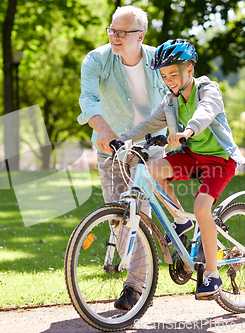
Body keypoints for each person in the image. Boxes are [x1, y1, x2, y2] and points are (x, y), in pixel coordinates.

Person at [120, 39, 245, 298]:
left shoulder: (208, 89)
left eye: (174, 74)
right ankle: (179, 220)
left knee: (201, 207)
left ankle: (212, 276)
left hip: (219, 160)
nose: (169, 80)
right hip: (192, 156)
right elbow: (149, 124)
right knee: (151, 169)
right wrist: (122, 139)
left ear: (190, 69)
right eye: (164, 76)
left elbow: (206, 111)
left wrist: (188, 130)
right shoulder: (170, 101)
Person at [77, 5, 167, 310]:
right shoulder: (97, 60)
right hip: (111, 148)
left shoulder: (158, 60)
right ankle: (145, 278)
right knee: (119, 217)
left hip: (150, 148)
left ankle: (136, 287)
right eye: (112, 29)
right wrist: (103, 129)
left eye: (122, 32)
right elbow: (88, 98)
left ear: (140, 35)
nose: (115, 36)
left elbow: (176, 95)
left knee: (143, 216)